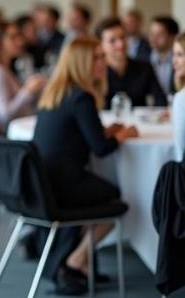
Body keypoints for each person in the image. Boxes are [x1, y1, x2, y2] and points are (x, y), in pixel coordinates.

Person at [32, 37, 138, 294]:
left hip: (43, 182)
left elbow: (79, 134)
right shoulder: (81, 98)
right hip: (64, 185)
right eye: (98, 57)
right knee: (115, 204)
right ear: (83, 63)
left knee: (97, 199)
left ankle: (80, 266)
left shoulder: (57, 92)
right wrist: (121, 136)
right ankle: (76, 260)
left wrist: (107, 132)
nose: (104, 62)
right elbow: (101, 149)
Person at [0, 20, 45, 133]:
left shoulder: (4, 68)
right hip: (12, 138)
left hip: (20, 129)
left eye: (19, 36)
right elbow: (5, 115)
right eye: (13, 37)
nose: (21, 41)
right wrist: (28, 91)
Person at [95, 16, 167, 107]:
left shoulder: (144, 68)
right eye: (112, 41)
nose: (120, 44)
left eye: (123, 37)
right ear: (101, 45)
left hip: (139, 121)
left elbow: (160, 101)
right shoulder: (96, 72)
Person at [148, 15, 179, 96]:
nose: (153, 38)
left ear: (172, 37)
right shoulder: (142, 59)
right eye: (152, 33)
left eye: (159, 34)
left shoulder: (181, 60)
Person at [32, 3, 64, 68]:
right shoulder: (34, 36)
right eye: (43, 19)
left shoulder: (62, 38)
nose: (44, 21)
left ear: (55, 20)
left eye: (48, 19)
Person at [171, 34, 185, 152]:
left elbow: (180, 150)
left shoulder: (181, 98)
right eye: (174, 54)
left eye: (180, 55)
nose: (174, 61)